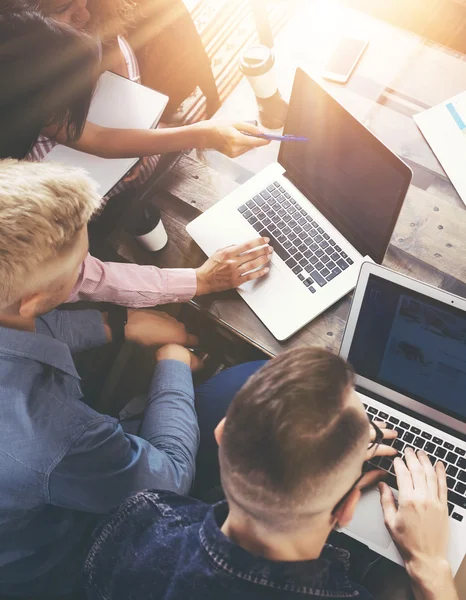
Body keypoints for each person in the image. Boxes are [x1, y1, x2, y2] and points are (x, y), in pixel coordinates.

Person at [0, 159, 271, 598]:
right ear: (32, 300)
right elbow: (166, 481)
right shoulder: (51, 432)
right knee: (256, 385)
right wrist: (174, 361)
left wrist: (118, 323)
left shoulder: (12, 306)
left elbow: (21, 325)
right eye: (80, 262)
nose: (88, 264)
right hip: (62, 561)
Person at [83, 348, 458, 600]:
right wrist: (430, 566)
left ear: (223, 432)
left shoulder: (142, 515)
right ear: (346, 510)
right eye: (369, 434)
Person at [0, 7, 269, 214]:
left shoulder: (90, 21)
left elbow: (105, 123)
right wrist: (200, 134)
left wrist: (156, 134)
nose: (84, 12)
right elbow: (95, 138)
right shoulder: (25, 89)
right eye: (63, 9)